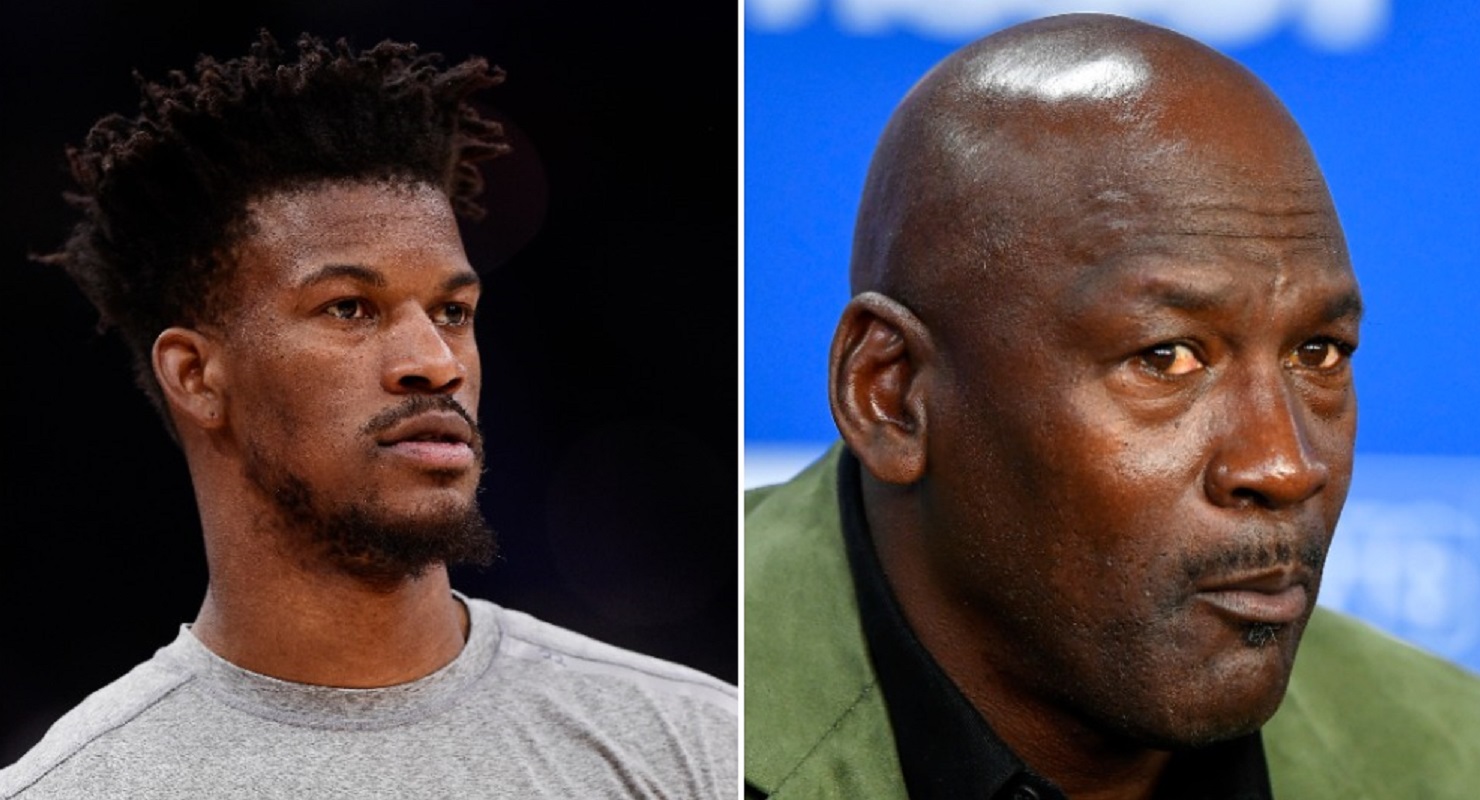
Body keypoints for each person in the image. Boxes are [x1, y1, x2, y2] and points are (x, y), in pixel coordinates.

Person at [744, 12, 1480, 800]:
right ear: (890, 395)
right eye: (1166, 358)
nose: (1286, 464)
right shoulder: (672, 739)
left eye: (1318, 354)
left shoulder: (1452, 754)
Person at [0, 31, 736, 799]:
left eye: (453, 311)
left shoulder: (695, 746)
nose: (436, 361)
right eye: (350, 307)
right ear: (196, 375)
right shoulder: (78, 787)